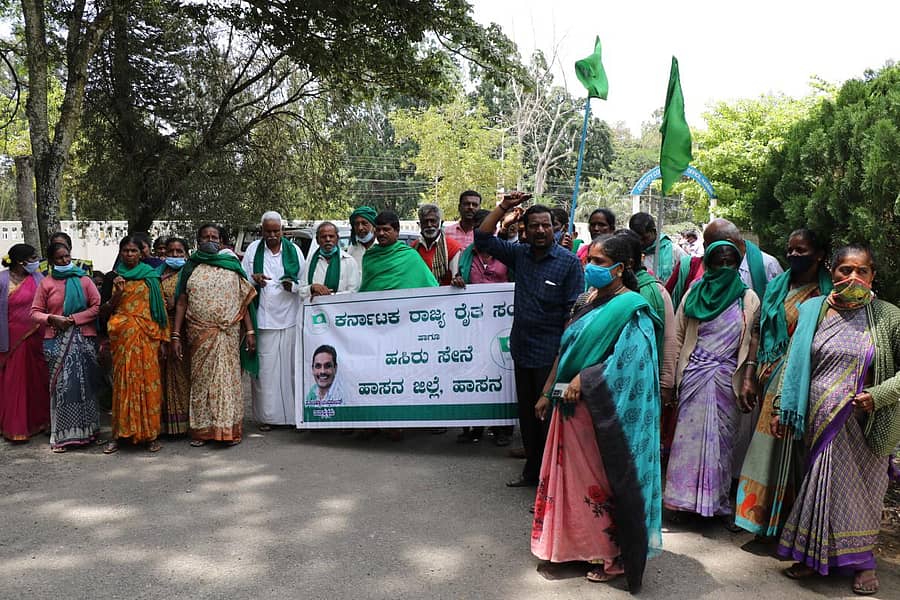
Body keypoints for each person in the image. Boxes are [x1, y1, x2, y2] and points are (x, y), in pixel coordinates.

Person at [531, 235, 662, 591]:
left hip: (601, 416)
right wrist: (547, 390)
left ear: (622, 269)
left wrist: (582, 378)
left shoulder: (633, 309)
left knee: (600, 484)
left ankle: (609, 553)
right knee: (571, 483)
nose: (592, 267)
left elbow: (629, 365)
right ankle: (573, 548)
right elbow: (566, 348)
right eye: (590, 259)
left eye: (601, 262)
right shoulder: (584, 301)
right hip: (567, 409)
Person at [773, 244, 899, 596]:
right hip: (816, 418)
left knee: (862, 495)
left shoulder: (889, 316)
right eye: (845, 270)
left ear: (873, 275)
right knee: (817, 487)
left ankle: (862, 562)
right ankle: (812, 556)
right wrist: (782, 404)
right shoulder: (813, 309)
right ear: (832, 270)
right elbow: (794, 362)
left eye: (862, 271)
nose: (853, 278)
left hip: (865, 422)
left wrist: (879, 395)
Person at [475, 192, 585, 487]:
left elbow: (572, 315)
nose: (540, 231)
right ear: (525, 229)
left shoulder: (569, 263)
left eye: (546, 225)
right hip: (522, 349)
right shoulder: (520, 254)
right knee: (527, 416)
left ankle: (552, 484)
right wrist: (503, 207)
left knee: (548, 419)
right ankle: (532, 473)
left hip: (551, 354)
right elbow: (482, 238)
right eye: (534, 225)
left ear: (554, 228)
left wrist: (564, 356)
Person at [734, 229, 832, 537]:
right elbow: (757, 332)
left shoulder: (827, 294)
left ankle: (795, 524)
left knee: (799, 453)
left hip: (806, 383)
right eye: (789, 250)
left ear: (819, 255)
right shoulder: (777, 286)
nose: (792, 256)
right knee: (767, 447)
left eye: (800, 251)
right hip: (770, 378)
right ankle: (761, 519)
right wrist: (749, 375)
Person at [663, 240, 760, 521]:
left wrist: (748, 378)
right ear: (708, 265)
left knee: (722, 443)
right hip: (695, 375)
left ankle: (713, 504)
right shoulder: (694, 293)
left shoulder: (748, 298)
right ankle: (680, 503)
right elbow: (679, 335)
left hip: (727, 380)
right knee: (687, 442)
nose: (725, 269)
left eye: (731, 263)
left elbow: (753, 337)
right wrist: (670, 380)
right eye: (719, 263)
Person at [703, 218, 784, 479]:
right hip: (711, 363)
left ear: (736, 244)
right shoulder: (711, 264)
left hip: (753, 358)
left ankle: (738, 483)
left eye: (712, 244)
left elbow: (775, 314)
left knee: (744, 426)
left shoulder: (767, 265)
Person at [172, 224, 257, 446]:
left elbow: (243, 301)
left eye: (214, 237)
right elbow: (181, 302)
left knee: (227, 381)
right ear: (198, 241)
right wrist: (175, 335)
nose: (210, 240)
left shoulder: (231, 265)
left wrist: (249, 331)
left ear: (221, 241)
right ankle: (202, 430)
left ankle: (227, 429)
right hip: (199, 334)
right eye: (205, 237)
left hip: (227, 334)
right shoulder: (190, 267)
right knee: (201, 381)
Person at [615, 229, 679, 467]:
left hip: (643, 383)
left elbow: (670, 340)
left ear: (628, 263)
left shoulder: (655, 292)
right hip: (609, 382)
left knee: (635, 447)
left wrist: (665, 385)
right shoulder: (605, 291)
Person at [101, 236, 170, 453]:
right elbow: (103, 312)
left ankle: (150, 435)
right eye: (126, 251)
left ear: (142, 253)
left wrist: (164, 340)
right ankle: (120, 434)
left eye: (134, 251)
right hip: (122, 337)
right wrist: (117, 295)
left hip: (147, 336)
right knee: (122, 384)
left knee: (148, 382)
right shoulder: (112, 278)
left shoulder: (151, 277)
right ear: (120, 253)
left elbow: (160, 313)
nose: (129, 255)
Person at [32, 242, 102, 452]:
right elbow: (35, 312)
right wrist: (53, 319)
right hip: (56, 340)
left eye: (67, 257)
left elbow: (96, 305)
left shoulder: (83, 279)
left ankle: (89, 432)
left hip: (83, 338)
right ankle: (62, 436)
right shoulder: (46, 283)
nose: (65, 261)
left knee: (86, 386)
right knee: (63, 388)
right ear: (52, 261)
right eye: (60, 258)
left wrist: (74, 319)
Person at [453, 209, 512, 446]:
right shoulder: (465, 255)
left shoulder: (507, 254)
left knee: (501, 373)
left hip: (502, 324)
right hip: (473, 326)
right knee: (474, 372)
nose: (480, 230)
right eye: (476, 226)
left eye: (484, 225)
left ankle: (502, 429)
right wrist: (458, 282)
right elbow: (458, 279)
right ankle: (474, 426)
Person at [241, 211, 304, 430]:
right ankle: (268, 418)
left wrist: (292, 285)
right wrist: (254, 278)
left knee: (291, 370)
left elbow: (304, 281)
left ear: (283, 231)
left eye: (276, 231)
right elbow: (242, 282)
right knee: (266, 372)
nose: (272, 235)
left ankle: (294, 417)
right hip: (264, 319)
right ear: (262, 231)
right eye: (268, 231)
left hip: (291, 318)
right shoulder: (252, 250)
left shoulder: (294, 250)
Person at [0, 244, 49, 441]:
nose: (37, 260)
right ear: (21, 261)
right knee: (15, 381)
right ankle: (15, 426)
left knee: (36, 379)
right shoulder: (2, 280)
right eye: (33, 257)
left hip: (36, 337)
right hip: (12, 339)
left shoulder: (38, 278)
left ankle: (38, 421)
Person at [158, 237, 191, 436]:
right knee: (162, 376)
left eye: (180, 252)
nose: (175, 255)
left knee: (182, 374)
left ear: (186, 254)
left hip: (184, 330)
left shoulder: (189, 274)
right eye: (171, 252)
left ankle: (185, 423)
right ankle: (164, 424)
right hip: (161, 330)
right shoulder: (156, 275)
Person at [359, 211, 438, 292]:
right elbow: (366, 288)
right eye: (378, 230)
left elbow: (430, 286)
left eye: (386, 229)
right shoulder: (369, 256)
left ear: (397, 231)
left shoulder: (410, 256)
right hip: (375, 304)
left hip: (405, 304)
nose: (381, 233)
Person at [299, 221, 360, 298]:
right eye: (323, 237)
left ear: (337, 238)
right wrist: (311, 289)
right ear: (317, 240)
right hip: (315, 308)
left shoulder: (349, 261)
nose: (328, 239)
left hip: (341, 309)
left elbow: (354, 292)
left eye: (331, 236)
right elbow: (301, 291)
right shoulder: (310, 260)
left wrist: (329, 296)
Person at [411, 204, 462, 286]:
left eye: (433, 221)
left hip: (444, 296)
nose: (429, 225)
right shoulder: (414, 247)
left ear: (440, 223)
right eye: (425, 222)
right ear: (419, 224)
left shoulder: (452, 247)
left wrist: (457, 280)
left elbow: (455, 277)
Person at [629, 212, 686, 283]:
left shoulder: (674, 251)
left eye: (644, 238)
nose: (641, 243)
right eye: (637, 239)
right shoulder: (630, 253)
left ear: (654, 231)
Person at [348, 206, 378, 270]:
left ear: (373, 226)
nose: (360, 228)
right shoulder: (352, 249)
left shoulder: (382, 248)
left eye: (364, 223)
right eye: (356, 224)